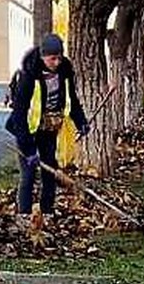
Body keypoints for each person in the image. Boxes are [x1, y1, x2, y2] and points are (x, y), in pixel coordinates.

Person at [6, 33, 91, 219]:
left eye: (59, 57)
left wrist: (81, 121)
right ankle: (24, 215)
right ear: (43, 56)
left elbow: (72, 100)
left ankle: (47, 211)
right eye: (52, 58)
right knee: (28, 174)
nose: (56, 62)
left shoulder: (64, 72)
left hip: (48, 129)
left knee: (49, 171)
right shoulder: (29, 75)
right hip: (27, 130)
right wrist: (28, 149)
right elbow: (19, 114)